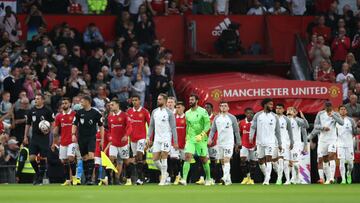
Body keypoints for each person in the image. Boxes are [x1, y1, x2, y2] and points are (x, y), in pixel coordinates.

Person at [179, 94, 211, 186]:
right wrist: (186, 138)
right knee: (187, 156)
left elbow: (208, 125)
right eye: (189, 100)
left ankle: (208, 178)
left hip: (201, 139)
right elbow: (187, 126)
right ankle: (184, 179)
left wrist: (202, 134)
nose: (190, 101)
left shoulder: (203, 111)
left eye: (192, 100)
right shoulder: (187, 113)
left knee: (204, 159)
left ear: (197, 101)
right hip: (191, 139)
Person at [72, 96, 104, 185]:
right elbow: (74, 124)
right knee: (84, 158)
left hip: (91, 137)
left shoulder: (95, 113)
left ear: (88, 102)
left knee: (91, 156)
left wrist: (102, 139)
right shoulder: (79, 113)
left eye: (82, 101)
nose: (81, 103)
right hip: (81, 138)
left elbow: (101, 126)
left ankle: (90, 178)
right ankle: (87, 178)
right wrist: (73, 134)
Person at [147, 93, 178, 186]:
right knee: (155, 159)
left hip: (166, 138)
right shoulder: (154, 112)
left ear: (164, 100)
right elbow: (151, 125)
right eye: (158, 99)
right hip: (157, 139)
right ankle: (165, 173)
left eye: (160, 99)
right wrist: (149, 137)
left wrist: (175, 142)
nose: (158, 101)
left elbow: (173, 128)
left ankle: (163, 179)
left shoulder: (169, 113)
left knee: (164, 157)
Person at [23, 94, 54, 185]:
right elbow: (28, 124)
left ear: (42, 100)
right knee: (32, 158)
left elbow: (52, 123)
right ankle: (37, 173)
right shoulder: (31, 110)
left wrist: (49, 132)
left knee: (43, 158)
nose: (36, 100)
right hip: (34, 137)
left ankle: (40, 178)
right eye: (35, 98)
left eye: (38, 99)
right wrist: (25, 136)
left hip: (44, 138)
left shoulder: (47, 110)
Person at [249, 98, 282, 185]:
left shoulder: (274, 116)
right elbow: (253, 127)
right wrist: (251, 137)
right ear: (265, 105)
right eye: (270, 104)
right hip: (260, 142)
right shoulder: (258, 115)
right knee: (260, 161)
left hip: (271, 142)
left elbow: (278, 131)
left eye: (272, 104)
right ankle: (267, 175)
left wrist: (280, 143)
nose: (272, 106)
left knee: (269, 160)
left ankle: (267, 179)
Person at [208, 101, 240, 186]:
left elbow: (236, 131)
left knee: (226, 159)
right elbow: (213, 130)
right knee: (222, 161)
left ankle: (224, 177)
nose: (223, 107)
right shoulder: (216, 118)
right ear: (219, 107)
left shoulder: (232, 118)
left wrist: (238, 142)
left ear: (228, 108)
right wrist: (210, 139)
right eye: (222, 106)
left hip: (229, 142)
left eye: (225, 106)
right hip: (220, 142)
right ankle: (228, 180)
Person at [314, 101, 344, 184]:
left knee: (331, 156)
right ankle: (325, 179)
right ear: (324, 107)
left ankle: (331, 178)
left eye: (329, 107)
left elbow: (342, 123)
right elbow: (315, 125)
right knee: (323, 160)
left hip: (332, 139)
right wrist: (323, 128)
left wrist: (333, 116)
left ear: (331, 106)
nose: (328, 108)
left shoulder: (336, 114)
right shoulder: (320, 114)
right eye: (326, 107)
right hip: (323, 140)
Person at [107, 98, 134, 186]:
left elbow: (130, 127)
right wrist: (110, 137)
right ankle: (112, 179)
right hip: (114, 143)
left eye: (112, 105)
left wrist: (126, 135)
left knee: (125, 162)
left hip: (123, 144)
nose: (111, 106)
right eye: (110, 105)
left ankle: (127, 179)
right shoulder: (110, 117)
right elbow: (110, 130)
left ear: (117, 105)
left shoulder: (125, 115)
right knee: (111, 159)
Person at [52, 97, 77, 186]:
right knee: (64, 161)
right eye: (63, 103)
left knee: (71, 158)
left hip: (72, 141)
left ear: (70, 104)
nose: (64, 105)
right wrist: (53, 142)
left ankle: (74, 178)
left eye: (66, 103)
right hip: (63, 141)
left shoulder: (74, 114)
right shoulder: (59, 116)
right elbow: (56, 129)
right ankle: (68, 180)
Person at [127, 95, 150, 185]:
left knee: (139, 155)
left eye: (136, 100)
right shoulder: (129, 112)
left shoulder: (144, 111)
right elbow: (127, 125)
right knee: (136, 159)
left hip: (142, 138)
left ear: (139, 101)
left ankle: (140, 179)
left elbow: (150, 124)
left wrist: (149, 138)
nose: (134, 102)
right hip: (132, 139)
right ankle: (142, 176)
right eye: (133, 100)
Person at [287, 107, 308, 184]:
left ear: (295, 113)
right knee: (288, 163)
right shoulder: (284, 120)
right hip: (286, 144)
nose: (289, 111)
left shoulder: (298, 120)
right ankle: (290, 179)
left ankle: (297, 178)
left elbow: (306, 126)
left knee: (295, 163)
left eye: (291, 110)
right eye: (288, 110)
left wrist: (303, 117)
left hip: (296, 144)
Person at [336, 105, 357, 184]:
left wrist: (356, 128)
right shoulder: (336, 121)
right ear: (339, 111)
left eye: (344, 109)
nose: (343, 110)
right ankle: (343, 179)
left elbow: (355, 133)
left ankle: (348, 173)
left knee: (351, 164)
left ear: (346, 111)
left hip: (349, 144)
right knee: (341, 161)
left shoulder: (351, 120)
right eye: (341, 109)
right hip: (340, 144)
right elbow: (334, 133)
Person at [274, 104, 294, 185]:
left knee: (282, 161)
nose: (278, 109)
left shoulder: (286, 120)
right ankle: (283, 177)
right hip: (272, 142)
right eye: (277, 108)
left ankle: (281, 179)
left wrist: (291, 142)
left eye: (280, 108)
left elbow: (290, 132)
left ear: (283, 110)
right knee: (273, 162)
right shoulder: (272, 117)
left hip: (283, 143)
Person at [239, 108, 257, 185]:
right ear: (245, 114)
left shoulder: (256, 123)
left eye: (252, 113)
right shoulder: (242, 122)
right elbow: (239, 133)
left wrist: (257, 144)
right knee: (243, 160)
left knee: (253, 162)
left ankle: (251, 179)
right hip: (244, 144)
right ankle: (245, 177)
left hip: (253, 145)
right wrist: (238, 143)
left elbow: (259, 134)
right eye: (248, 113)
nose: (250, 115)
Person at [172, 101, 187, 185]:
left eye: (179, 107)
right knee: (174, 159)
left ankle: (183, 177)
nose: (178, 109)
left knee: (184, 161)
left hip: (184, 143)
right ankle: (177, 176)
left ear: (183, 108)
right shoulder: (173, 117)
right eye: (176, 107)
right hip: (174, 143)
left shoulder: (187, 118)